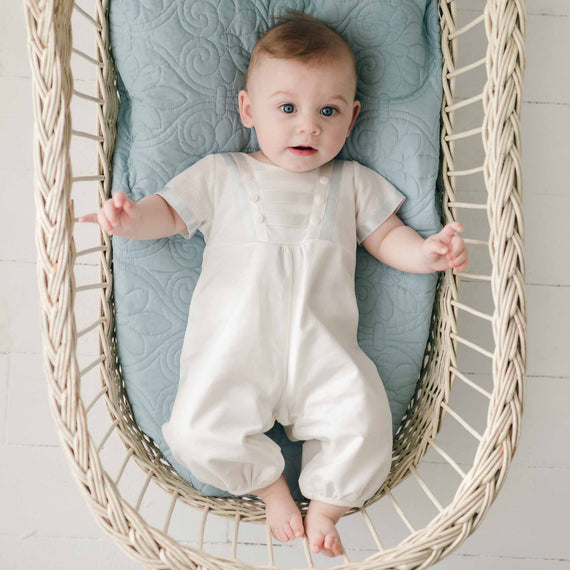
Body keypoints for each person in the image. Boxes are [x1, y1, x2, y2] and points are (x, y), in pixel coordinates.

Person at [80, 11, 468, 558]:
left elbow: (389, 239)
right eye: (287, 108)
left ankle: (329, 506)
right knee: (192, 431)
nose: (308, 125)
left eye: (327, 111)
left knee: (367, 423)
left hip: (324, 354)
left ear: (352, 118)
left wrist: (428, 254)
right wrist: (127, 218)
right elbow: (166, 213)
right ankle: (271, 488)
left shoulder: (353, 183)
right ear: (248, 110)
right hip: (236, 354)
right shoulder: (222, 174)